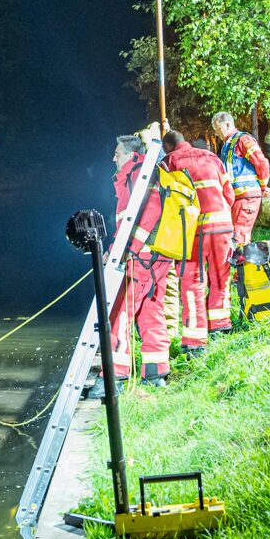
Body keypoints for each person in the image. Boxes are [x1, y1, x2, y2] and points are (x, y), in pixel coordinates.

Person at [162, 129, 237, 341]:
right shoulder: (212, 157)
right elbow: (228, 194)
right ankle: (220, 326)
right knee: (220, 278)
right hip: (222, 226)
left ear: (167, 146)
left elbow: (165, 202)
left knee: (192, 282)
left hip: (192, 232)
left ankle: (195, 340)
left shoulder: (170, 162)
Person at [111, 132, 171, 385]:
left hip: (141, 257)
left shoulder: (137, 173)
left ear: (129, 153)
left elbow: (149, 213)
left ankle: (115, 375)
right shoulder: (140, 172)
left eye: (117, 153)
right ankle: (155, 373)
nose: (113, 157)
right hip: (154, 255)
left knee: (120, 311)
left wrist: (129, 249)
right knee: (150, 311)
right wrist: (115, 246)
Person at [212, 111, 270, 245]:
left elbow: (262, 163)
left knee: (239, 237)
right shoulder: (227, 145)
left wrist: (262, 187)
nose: (216, 134)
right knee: (235, 236)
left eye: (218, 129)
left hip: (246, 197)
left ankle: (244, 264)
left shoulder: (243, 140)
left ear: (227, 124)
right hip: (237, 197)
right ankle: (242, 263)